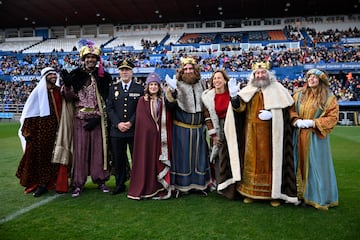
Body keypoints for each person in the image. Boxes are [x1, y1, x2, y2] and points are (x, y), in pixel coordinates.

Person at [224, 62, 299, 206]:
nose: (260, 75)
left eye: (262, 72)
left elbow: (287, 111)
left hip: (271, 135)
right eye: (257, 73)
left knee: (271, 163)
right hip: (250, 134)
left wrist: (273, 115)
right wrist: (234, 97)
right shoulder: (248, 90)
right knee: (251, 162)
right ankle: (250, 193)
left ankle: (274, 195)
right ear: (253, 76)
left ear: (268, 74)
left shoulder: (279, 89)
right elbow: (239, 111)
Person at [61, 40, 112, 197]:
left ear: (97, 60)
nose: (91, 59)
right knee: (80, 153)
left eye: (93, 57)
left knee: (99, 152)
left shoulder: (104, 77)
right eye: (88, 57)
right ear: (83, 59)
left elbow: (108, 99)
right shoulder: (76, 75)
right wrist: (68, 85)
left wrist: (100, 117)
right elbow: (69, 97)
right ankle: (78, 183)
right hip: (80, 119)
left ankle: (101, 180)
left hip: (98, 120)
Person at [290, 69, 339, 210]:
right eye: (309, 76)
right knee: (298, 163)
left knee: (315, 166)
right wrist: (296, 120)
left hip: (315, 138)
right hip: (298, 135)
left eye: (314, 77)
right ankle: (299, 195)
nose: (311, 79)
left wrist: (313, 123)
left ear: (321, 80)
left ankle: (316, 197)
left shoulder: (329, 98)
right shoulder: (299, 94)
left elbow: (332, 117)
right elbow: (290, 110)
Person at [16, 67, 68, 197]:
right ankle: (42, 184)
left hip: (57, 131)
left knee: (57, 158)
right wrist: (28, 132)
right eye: (50, 74)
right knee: (42, 159)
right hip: (41, 133)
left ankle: (56, 182)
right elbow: (29, 113)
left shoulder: (58, 91)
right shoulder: (38, 92)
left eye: (54, 74)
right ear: (44, 76)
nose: (53, 76)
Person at [165, 57, 210, 197]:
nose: (188, 71)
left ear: (195, 70)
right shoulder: (176, 84)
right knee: (182, 159)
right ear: (181, 71)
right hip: (182, 129)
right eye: (185, 69)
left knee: (199, 158)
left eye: (191, 68)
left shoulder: (202, 84)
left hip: (198, 129)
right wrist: (171, 94)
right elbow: (169, 107)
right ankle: (181, 187)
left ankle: (199, 185)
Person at [127, 72, 171, 200]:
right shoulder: (142, 100)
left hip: (159, 138)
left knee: (156, 161)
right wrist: (152, 129)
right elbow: (142, 120)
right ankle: (145, 187)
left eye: (155, 84)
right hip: (146, 138)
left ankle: (157, 186)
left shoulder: (162, 101)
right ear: (147, 86)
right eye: (151, 84)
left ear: (159, 86)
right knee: (145, 160)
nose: (153, 87)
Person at [107, 59, 144, 195]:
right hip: (117, 131)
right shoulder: (113, 88)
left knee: (137, 158)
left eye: (127, 70)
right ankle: (120, 183)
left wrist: (131, 122)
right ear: (119, 72)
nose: (124, 72)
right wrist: (118, 123)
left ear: (132, 72)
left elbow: (141, 109)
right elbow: (109, 108)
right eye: (122, 70)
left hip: (133, 130)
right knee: (118, 159)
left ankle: (138, 184)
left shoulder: (139, 88)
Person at [201, 69, 239, 199]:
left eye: (219, 78)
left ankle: (234, 186)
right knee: (219, 156)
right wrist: (213, 135)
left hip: (231, 127)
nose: (216, 80)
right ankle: (221, 185)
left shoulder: (232, 93)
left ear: (225, 80)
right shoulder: (207, 96)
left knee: (232, 155)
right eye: (214, 78)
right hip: (217, 129)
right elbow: (207, 117)